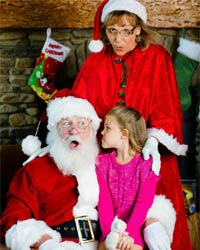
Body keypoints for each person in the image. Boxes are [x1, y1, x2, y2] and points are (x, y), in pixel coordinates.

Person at [59, 0, 192, 249]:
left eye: (126, 31)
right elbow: (79, 106)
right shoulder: (96, 60)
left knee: (158, 214)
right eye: (112, 31)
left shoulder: (158, 57)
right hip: (109, 154)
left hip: (149, 151)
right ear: (105, 30)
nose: (118, 40)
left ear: (138, 29)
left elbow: (167, 105)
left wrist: (153, 140)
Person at [0, 96, 102, 250]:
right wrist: (47, 243)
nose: (74, 130)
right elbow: (13, 219)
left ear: (92, 129)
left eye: (82, 123)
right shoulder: (34, 169)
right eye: (66, 124)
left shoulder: (109, 164)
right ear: (55, 131)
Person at [96, 105, 160, 250]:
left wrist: (127, 234)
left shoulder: (145, 164)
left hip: (133, 235)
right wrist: (110, 236)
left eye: (107, 127)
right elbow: (104, 204)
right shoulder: (102, 164)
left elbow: (143, 203)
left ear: (124, 134)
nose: (102, 131)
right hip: (108, 233)